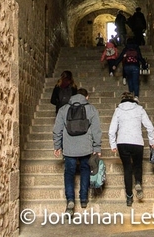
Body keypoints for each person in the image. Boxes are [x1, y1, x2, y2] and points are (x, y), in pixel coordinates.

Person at [53, 87, 102, 216]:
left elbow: (57, 129)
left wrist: (57, 146)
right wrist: (97, 148)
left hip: (69, 148)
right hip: (86, 147)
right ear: (86, 97)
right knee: (85, 169)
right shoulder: (91, 109)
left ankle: (70, 200)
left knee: (69, 173)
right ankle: (84, 199)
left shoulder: (63, 109)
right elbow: (97, 130)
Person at [109, 92, 154, 206]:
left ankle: (129, 197)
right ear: (133, 99)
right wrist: (151, 141)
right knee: (137, 165)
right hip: (137, 142)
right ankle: (138, 182)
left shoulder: (118, 110)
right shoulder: (139, 109)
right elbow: (150, 126)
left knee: (127, 169)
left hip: (122, 142)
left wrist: (113, 145)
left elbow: (112, 130)